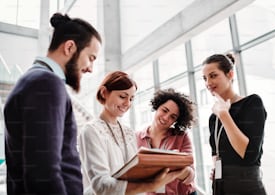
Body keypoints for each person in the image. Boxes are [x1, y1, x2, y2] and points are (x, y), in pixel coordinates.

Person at [3, 13, 102, 195]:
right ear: (70, 47)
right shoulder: (46, 84)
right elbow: (43, 174)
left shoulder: (32, 80)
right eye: (91, 58)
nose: (90, 68)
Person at [78, 71, 187, 195]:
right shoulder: (91, 131)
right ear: (104, 93)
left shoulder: (128, 132)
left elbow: (136, 176)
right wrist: (151, 185)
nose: (127, 103)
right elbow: (101, 185)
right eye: (122, 97)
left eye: (131, 98)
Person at [202, 53, 267, 195]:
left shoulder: (252, 103)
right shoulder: (214, 117)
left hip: (246, 187)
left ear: (230, 74)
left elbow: (249, 155)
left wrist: (225, 115)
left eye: (213, 76)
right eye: (205, 78)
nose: (208, 83)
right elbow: (215, 152)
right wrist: (218, 169)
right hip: (221, 186)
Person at [136, 88, 197, 195]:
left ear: (176, 121)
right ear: (157, 106)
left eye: (173, 117)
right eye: (164, 110)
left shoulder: (182, 137)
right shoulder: (136, 138)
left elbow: (190, 174)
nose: (166, 118)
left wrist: (172, 166)